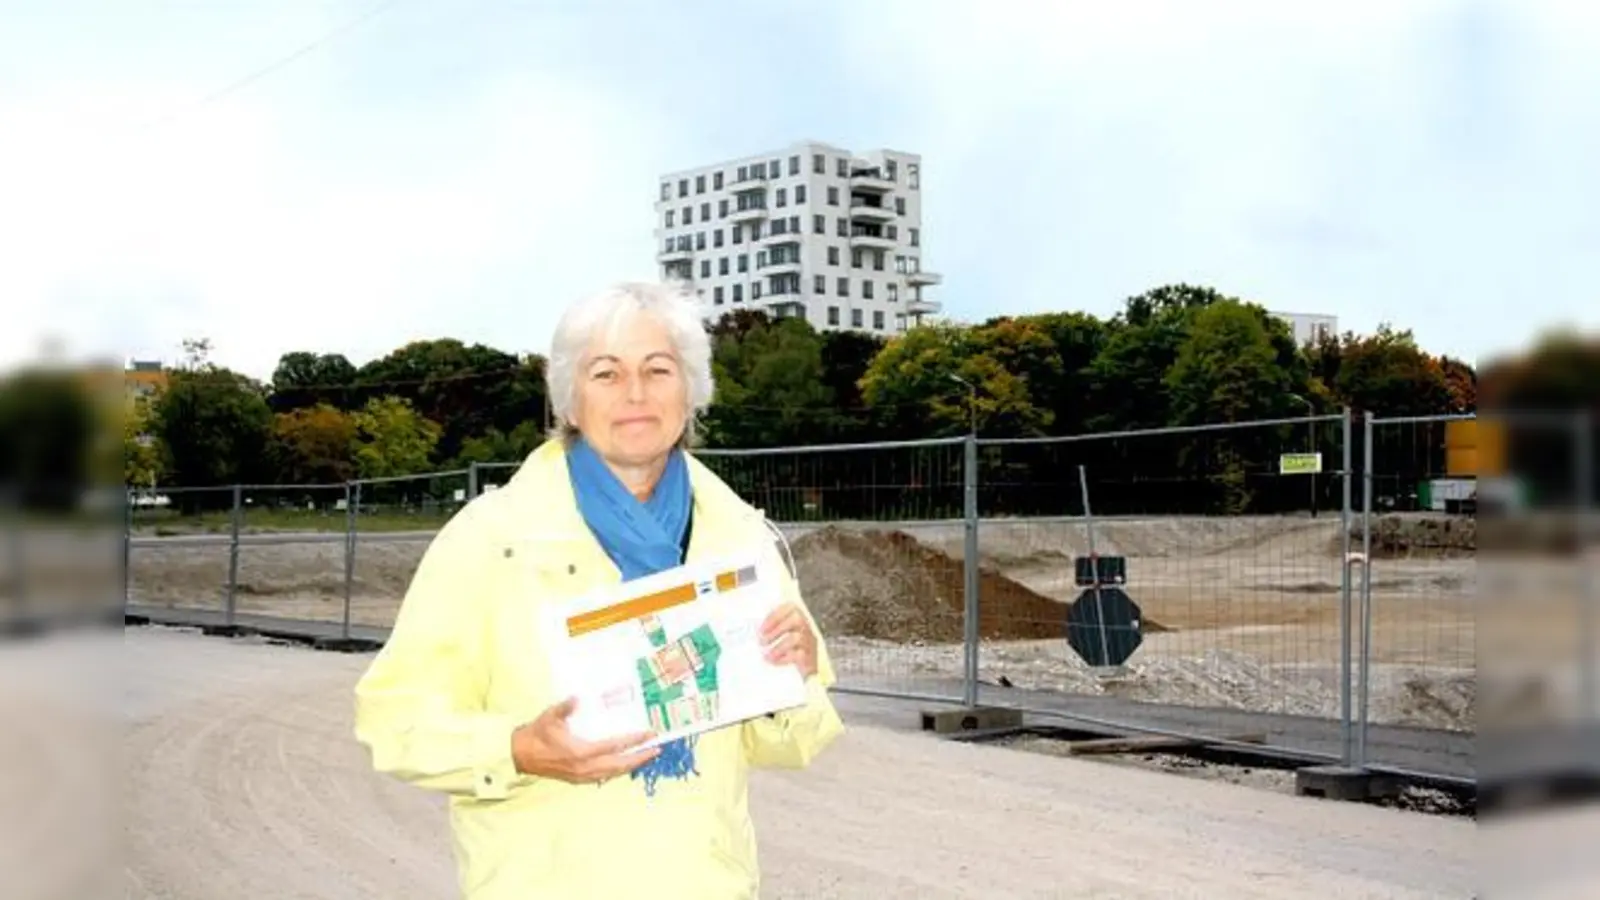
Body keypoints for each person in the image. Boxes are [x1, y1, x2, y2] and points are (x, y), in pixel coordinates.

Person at [352, 281, 844, 899]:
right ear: (571, 400)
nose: (635, 393)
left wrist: (791, 681)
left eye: (658, 369)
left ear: (690, 390)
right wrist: (517, 750)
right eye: (606, 373)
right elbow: (394, 718)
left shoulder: (742, 538)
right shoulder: (491, 538)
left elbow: (793, 739)